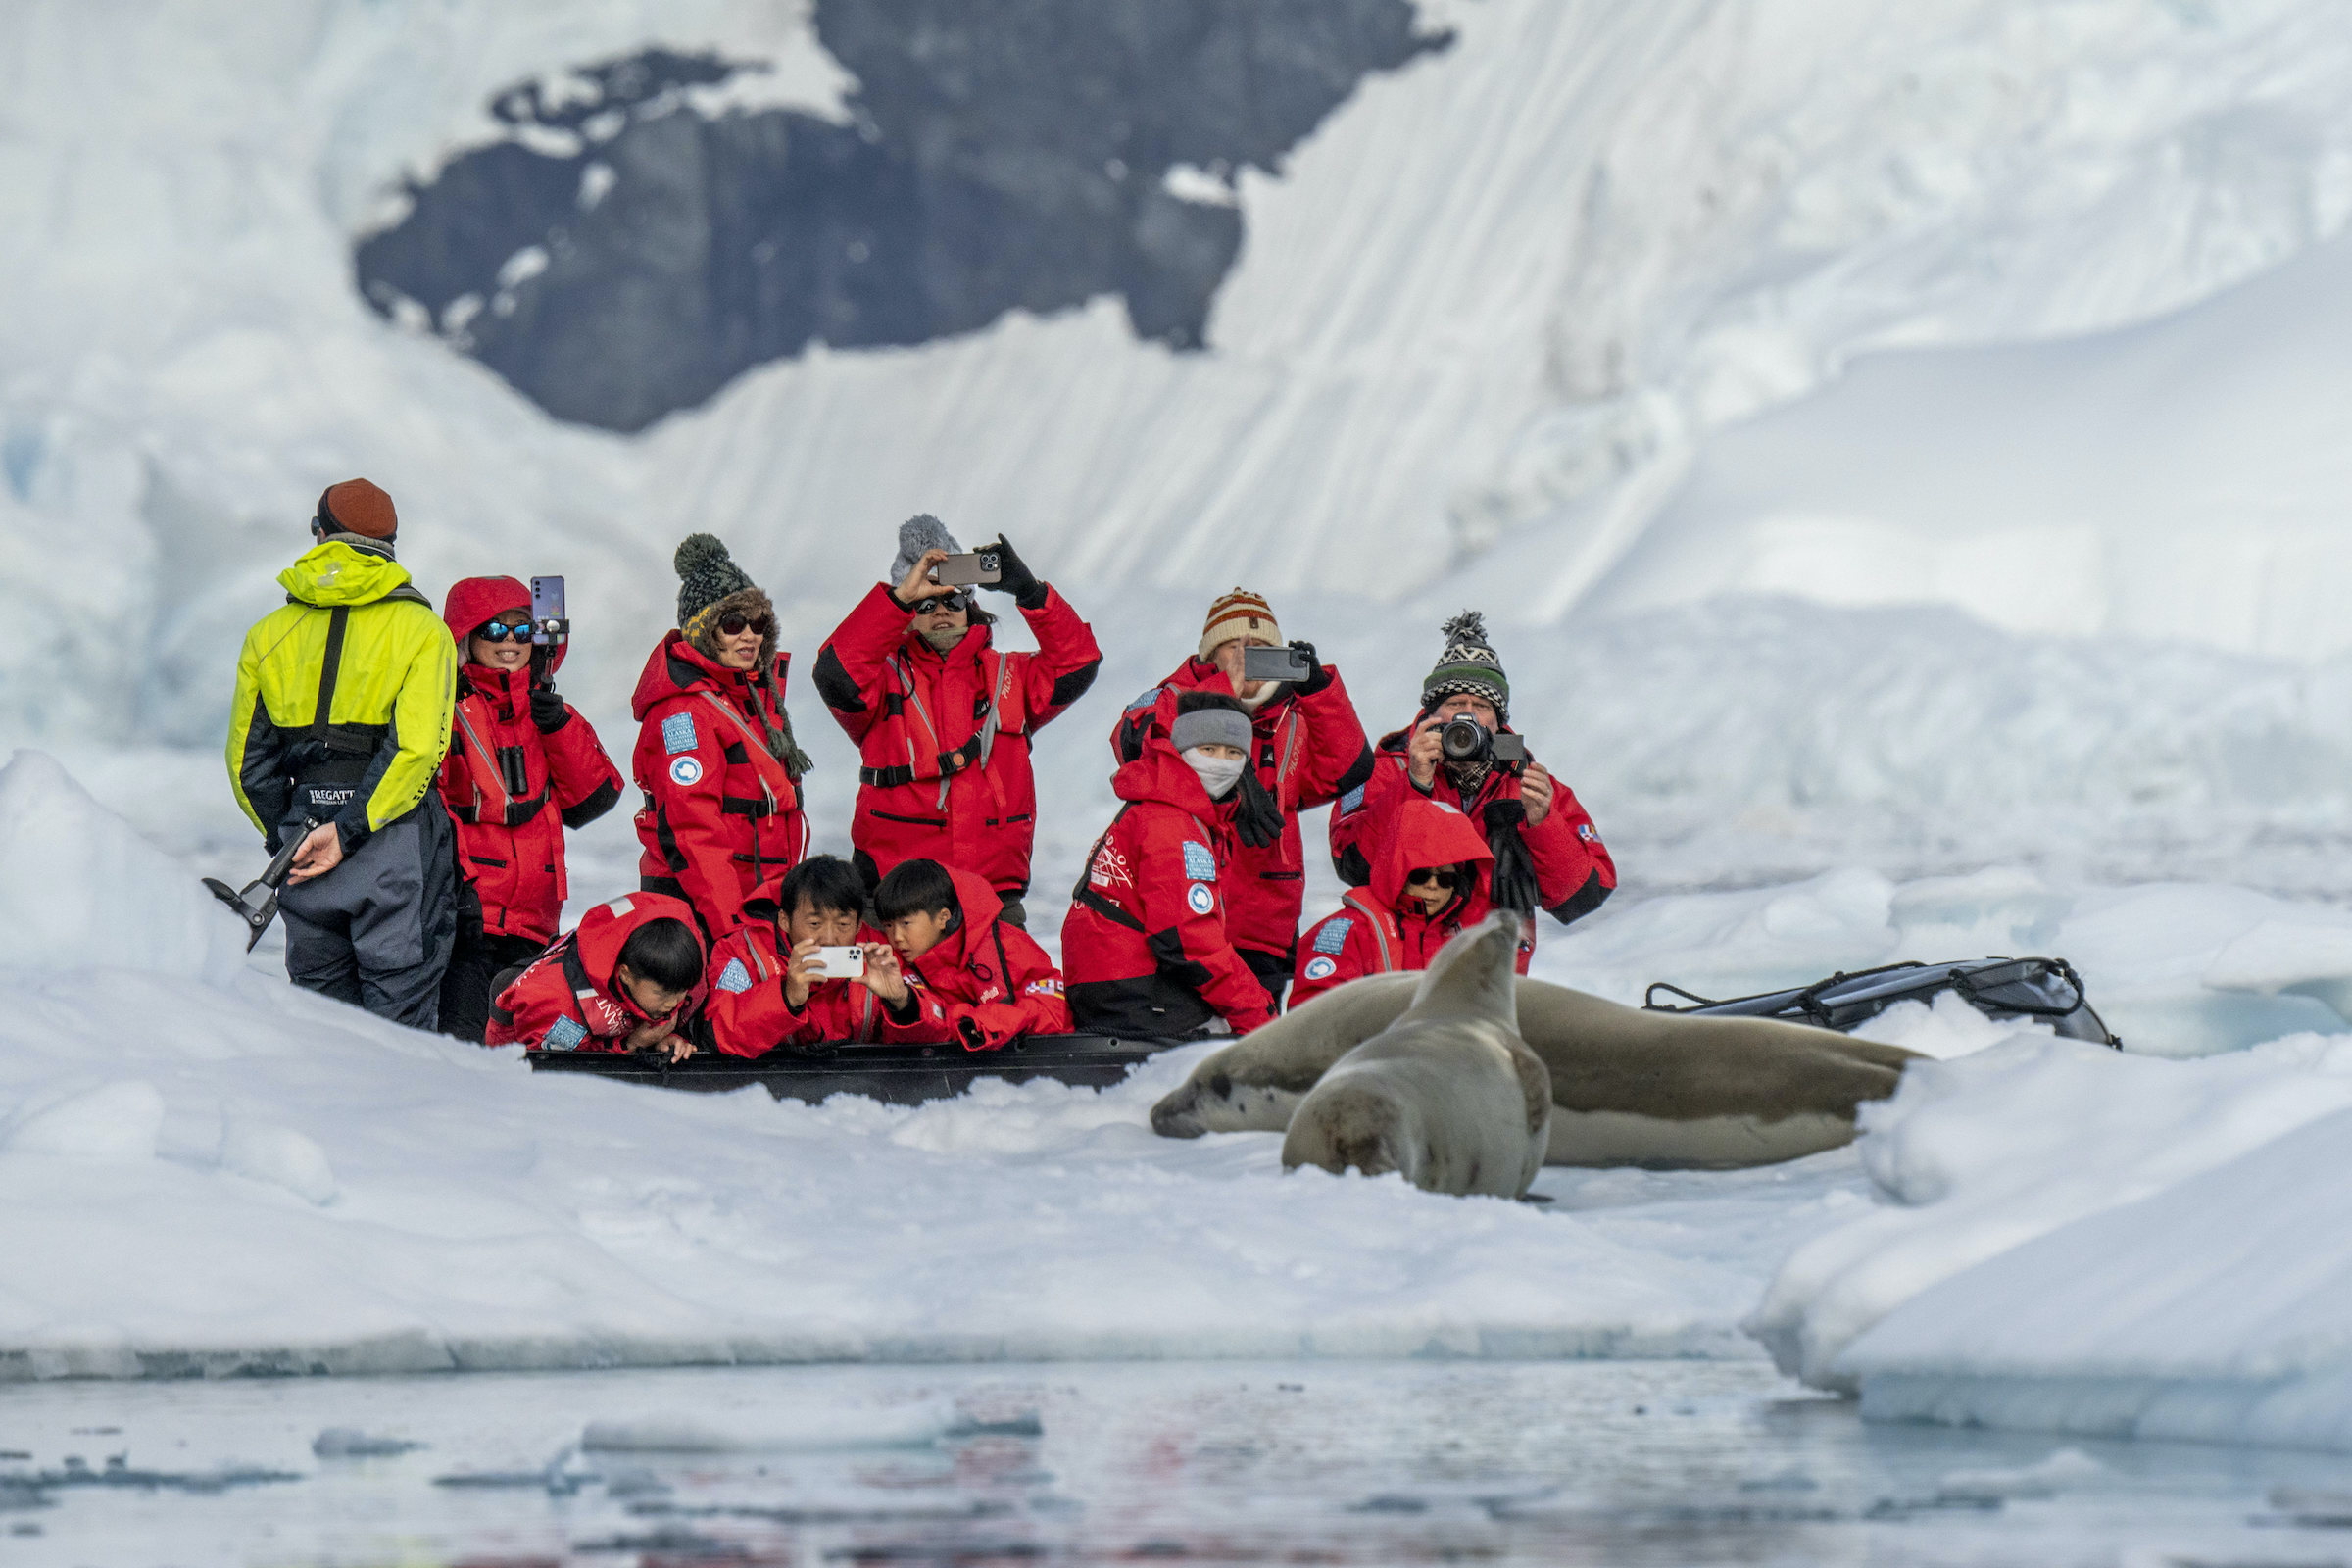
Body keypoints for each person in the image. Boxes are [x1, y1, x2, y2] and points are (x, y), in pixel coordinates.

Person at [226, 478, 460, 1027]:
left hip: (302, 845)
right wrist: (352, 829)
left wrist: (288, 835)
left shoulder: (268, 634)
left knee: (321, 1025)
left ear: (319, 534)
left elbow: (247, 765)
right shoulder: (423, 630)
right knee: (400, 1025)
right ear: (392, 545)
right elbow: (418, 747)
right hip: (395, 846)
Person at [812, 515, 1101, 926]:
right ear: (909, 614)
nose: (941, 611)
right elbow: (834, 673)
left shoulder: (1011, 678)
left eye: (953, 599)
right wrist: (895, 600)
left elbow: (1079, 662)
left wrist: (1029, 591)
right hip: (895, 906)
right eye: (925, 604)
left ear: (971, 605)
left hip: (991, 905)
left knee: (1015, 993)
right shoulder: (880, 680)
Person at [1111, 588, 1370, 1007]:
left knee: (1255, 1034)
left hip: (1263, 919)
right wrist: (1223, 692)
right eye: (1234, 646)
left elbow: (1349, 770)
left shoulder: (1295, 716)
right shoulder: (1172, 696)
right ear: (1211, 653)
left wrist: (1320, 691)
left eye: (1262, 650)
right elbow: (1130, 744)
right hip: (1182, 909)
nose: (1247, 657)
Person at [1330, 612, 1614, 937]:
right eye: (1455, 702)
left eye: (1481, 705)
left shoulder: (1530, 784)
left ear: (1499, 721)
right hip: (1408, 967)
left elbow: (1584, 899)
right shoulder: (1387, 770)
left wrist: (1541, 823)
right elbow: (1353, 867)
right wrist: (1414, 784)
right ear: (1431, 713)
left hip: (1490, 969)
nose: (1468, 715)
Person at [433, 575, 625, 1042]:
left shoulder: (548, 710)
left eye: (523, 631)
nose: (510, 643)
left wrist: (557, 725)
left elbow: (593, 800)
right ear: (465, 640)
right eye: (494, 631)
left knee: (521, 1053)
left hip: (535, 923)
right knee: (463, 1048)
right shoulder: (442, 709)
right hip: (468, 919)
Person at [631, 534, 813, 940]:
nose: (749, 635)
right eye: (733, 624)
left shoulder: (752, 696)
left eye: (759, 623)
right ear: (703, 631)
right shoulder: (684, 711)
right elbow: (693, 834)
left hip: (760, 901)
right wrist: (733, 931)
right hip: (708, 914)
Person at [1062, 692, 1274, 1037]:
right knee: (1237, 1041)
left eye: (1233, 753)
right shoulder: (1171, 822)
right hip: (1132, 991)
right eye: (1208, 749)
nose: (1221, 763)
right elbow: (1186, 940)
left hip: (1107, 982)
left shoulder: (1168, 806)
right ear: (1181, 750)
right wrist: (1261, 1015)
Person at [1290, 796, 1507, 1006]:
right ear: (1398, 871)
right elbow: (1312, 1018)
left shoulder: (1467, 939)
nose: (1432, 885)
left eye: (1445, 878)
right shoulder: (1350, 932)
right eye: (1420, 875)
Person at [861, 858, 1071, 1050]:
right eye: (888, 926)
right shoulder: (891, 967)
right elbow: (911, 1037)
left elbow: (1054, 1008)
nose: (896, 936)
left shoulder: (1008, 945)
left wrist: (979, 1024)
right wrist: (902, 1003)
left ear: (943, 917)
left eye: (906, 923)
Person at [701, 854, 892, 1056]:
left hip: (860, 1084)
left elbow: (926, 1043)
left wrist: (902, 1003)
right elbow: (714, 1036)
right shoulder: (743, 953)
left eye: (843, 925)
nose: (828, 938)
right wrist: (786, 997)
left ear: (858, 924)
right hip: (768, 1083)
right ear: (784, 920)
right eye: (815, 924)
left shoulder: (881, 953)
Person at [485, 892, 703, 1060]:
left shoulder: (677, 966)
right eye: (662, 993)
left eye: (681, 991)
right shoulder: (559, 1002)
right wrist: (632, 1043)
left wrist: (669, 1040)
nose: (674, 1003)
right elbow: (561, 1070)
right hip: (522, 1057)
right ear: (625, 975)